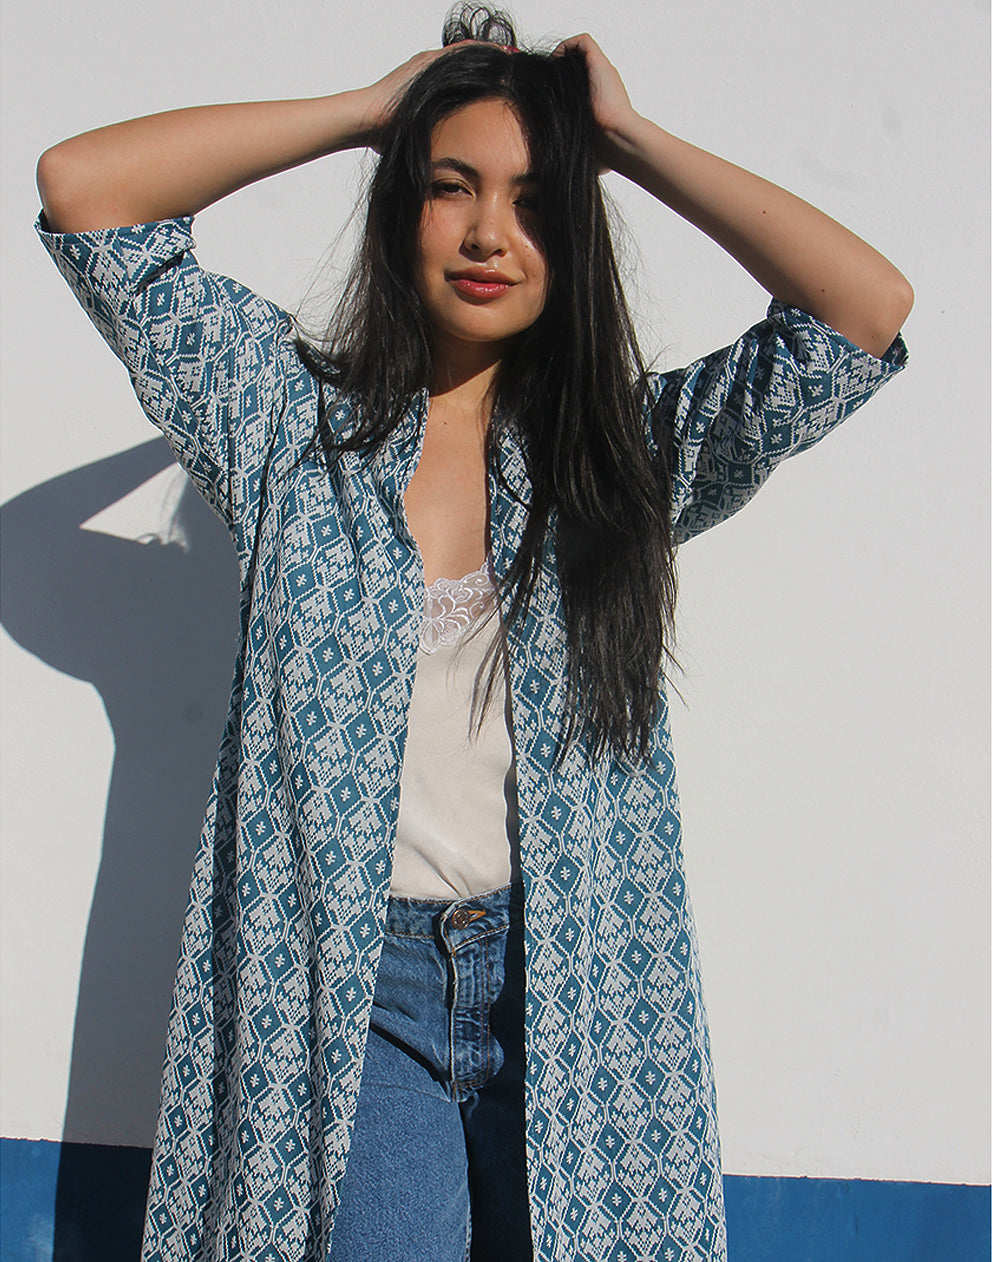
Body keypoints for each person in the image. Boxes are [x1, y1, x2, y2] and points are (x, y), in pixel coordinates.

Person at [35, 6, 912, 1260]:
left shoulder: (624, 462)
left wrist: (625, 139)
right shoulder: (284, 427)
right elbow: (84, 192)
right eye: (451, 188)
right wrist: (366, 112)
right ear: (402, 209)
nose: (490, 231)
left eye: (533, 200)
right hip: (357, 996)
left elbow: (861, 313)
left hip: (575, 991)